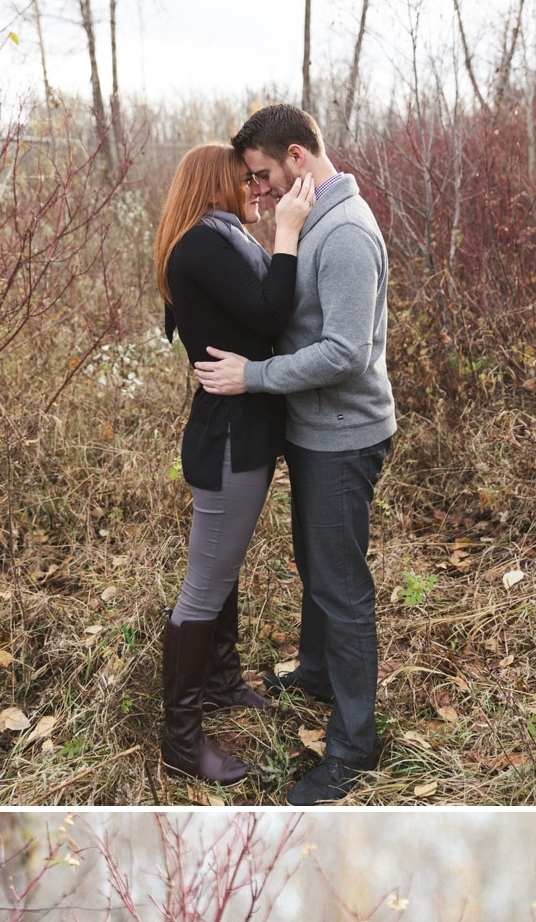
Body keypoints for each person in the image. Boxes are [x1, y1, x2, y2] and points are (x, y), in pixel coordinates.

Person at [192, 103, 396, 807]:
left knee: (341, 585)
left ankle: (353, 747)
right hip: (314, 431)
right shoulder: (310, 220)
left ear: (298, 159)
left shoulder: (343, 233)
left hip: (344, 434)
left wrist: (253, 376)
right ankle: (315, 672)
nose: (260, 189)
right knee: (316, 562)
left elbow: (345, 352)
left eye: (264, 174)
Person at [152, 144, 316, 784]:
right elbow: (271, 311)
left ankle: (219, 679)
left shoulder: (210, 239)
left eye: (256, 178)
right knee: (205, 581)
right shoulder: (205, 245)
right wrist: (287, 234)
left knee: (222, 565)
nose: (253, 188)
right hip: (228, 435)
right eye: (242, 179)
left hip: (238, 427)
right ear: (214, 184)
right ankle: (182, 741)